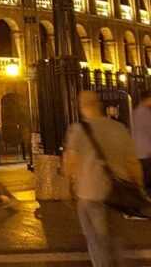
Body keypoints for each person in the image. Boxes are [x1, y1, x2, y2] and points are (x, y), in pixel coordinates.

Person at [65, 91, 144, 267]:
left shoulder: (78, 130)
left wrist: (69, 186)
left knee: (96, 242)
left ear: (82, 106)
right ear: (99, 105)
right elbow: (133, 163)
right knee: (116, 240)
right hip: (117, 195)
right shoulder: (119, 128)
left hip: (90, 194)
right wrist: (138, 187)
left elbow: (70, 163)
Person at [134, 89, 151, 194]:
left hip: (137, 152)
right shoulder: (146, 113)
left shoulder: (134, 112)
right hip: (147, 152)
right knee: (148, 180)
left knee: (143, 179)